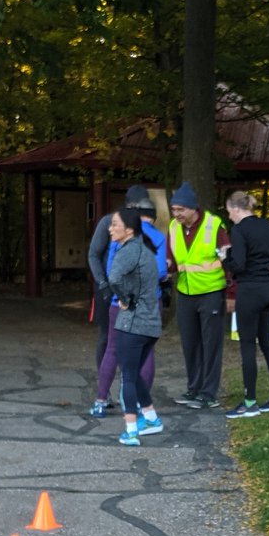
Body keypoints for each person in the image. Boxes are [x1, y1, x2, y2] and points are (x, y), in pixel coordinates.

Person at [91, 197, 168, 416]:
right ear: (152, 216)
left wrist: (123, 294)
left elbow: (112, 272)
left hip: (120, 302)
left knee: (112, 348)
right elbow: (161, 271)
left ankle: (100, 400)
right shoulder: (157, 237)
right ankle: (140, 404)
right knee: (146, 352)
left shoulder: (120, 238)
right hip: (149, 302)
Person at [221, 190, 269, 418]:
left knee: (247, 345)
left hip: (249, 289)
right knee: (268, 343)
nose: (229, 216)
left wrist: (225, 259)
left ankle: (250, 402)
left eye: (229, 211)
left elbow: (239, 265)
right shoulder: (266, 226)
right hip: (268, 287)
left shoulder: (239, 230)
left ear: (236, 209)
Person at [167, 182, 230, 408]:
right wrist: (166, 269)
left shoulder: (214, 225)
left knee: (211, 344)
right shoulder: (174, 227)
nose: (177, 214)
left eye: (181, 209)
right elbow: (171, 257)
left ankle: (208, 393)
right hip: (185, 292)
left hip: (211, 291)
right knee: (190, 343)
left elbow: (227, 259)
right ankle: (193, 388)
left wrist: (231, 292)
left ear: (193, 208)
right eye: (174, 210)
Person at [106, 208, 166, 446]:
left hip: (132, 324)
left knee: (128, 377)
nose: (110, 229)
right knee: (135, 372)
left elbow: (113, 279)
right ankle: (151, 419)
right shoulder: (146, 250)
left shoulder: (127, 251)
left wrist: (124, 298)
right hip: (151, 324)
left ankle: (131, 431)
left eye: (115, 224)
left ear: (129, 229)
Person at [88, 182, 151, 404]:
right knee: (107, 339)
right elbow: (94, 254)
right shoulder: (109, 222)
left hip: (134, 290)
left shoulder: (144, 226)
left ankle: (130, 390)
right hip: (107, 288)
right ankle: (104, 391)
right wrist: (102, 283)